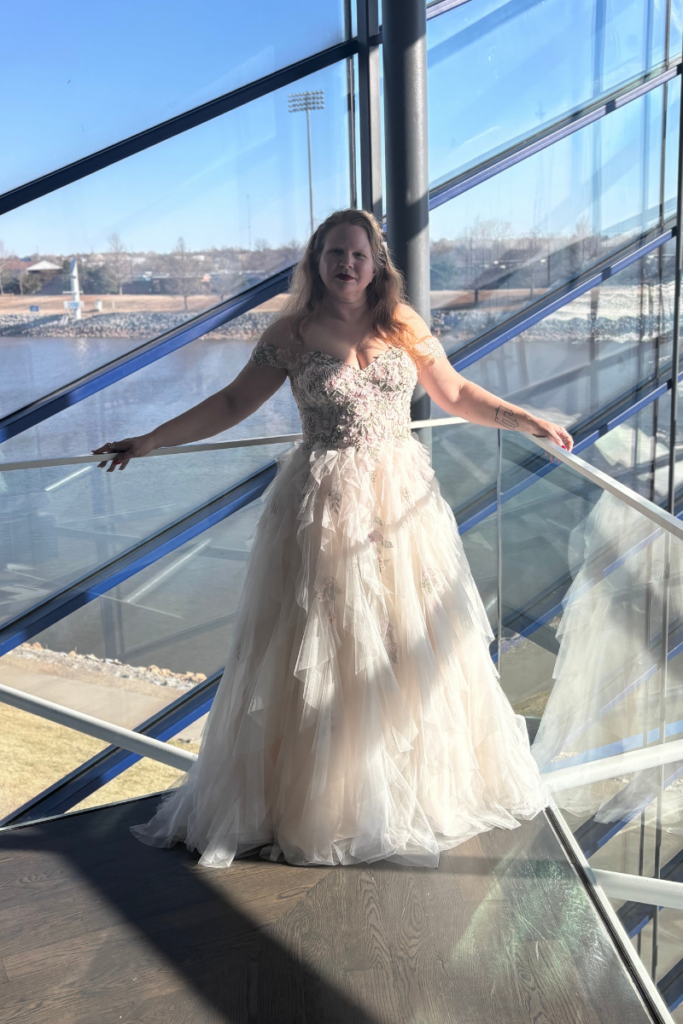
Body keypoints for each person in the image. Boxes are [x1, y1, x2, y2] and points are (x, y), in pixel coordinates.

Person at [93, 209, 573, 869]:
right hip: (322, 507)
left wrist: (523, 419)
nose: (347, 265)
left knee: (409, 645)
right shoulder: (291, 333)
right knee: (327, 649)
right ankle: (329, 805)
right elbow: (232, 404)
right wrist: (149, 441)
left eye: (358, 255)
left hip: (403, 503)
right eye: (334, 254)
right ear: (316, 262)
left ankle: (405, 793)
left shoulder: (402, 326)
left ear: (376, 264)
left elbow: (454, 391)